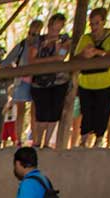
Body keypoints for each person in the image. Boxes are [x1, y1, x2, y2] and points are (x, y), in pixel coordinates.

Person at [75, 7, 110, 148]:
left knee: (103, 110)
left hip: (108, 81)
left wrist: (98, 52)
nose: (94, 27)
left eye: (97, 23)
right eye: (92, 24)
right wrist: (84, 55)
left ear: (103, 22)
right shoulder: (86, 38)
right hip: (87, 82)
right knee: (86, 111)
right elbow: (75, 57)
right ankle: (83, 140)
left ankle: (99, 140)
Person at [28, 13, 72, 148]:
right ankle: (38, 140)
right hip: (39, 82)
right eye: (53, 29)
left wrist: (55, 52)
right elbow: (31, 59)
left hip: (58, 81)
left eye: (58, 29)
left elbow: (62, 56)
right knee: (41, 113)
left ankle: (46, 143)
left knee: (54, 113)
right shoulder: (37, 40)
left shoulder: (65, 39)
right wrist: (52, 57)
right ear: (49, 26)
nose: (55, 33)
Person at [1, 20, 44, 146]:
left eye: (35, 34)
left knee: (34, 112)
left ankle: (35, 141)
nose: (32, 36)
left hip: (37, 81)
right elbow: (7, 61)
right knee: (20, 111)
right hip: (21, 81)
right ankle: (18, 140)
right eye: (30, 33)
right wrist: (11, 69)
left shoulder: (42, 44)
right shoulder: (22, 45)